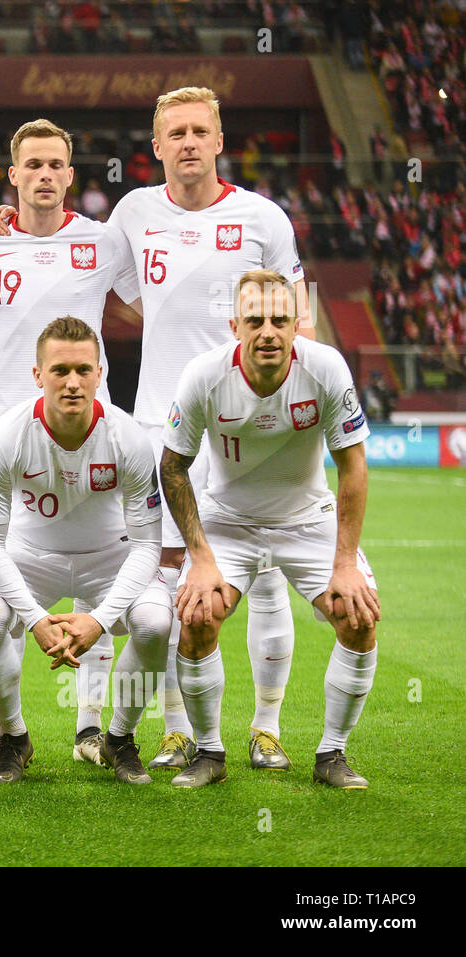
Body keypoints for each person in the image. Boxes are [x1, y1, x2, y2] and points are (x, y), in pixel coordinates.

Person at [0, 87, 312, 773]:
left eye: (200, 131)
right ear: (157, 147)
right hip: (166, 426)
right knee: (156, 585)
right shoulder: (131, 214)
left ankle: (268, 726)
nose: (188, 142)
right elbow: (99, 280)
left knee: (268, 572)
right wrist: (4, 221)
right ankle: (166, 728)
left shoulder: (263, 218)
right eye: (175, 133)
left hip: (252, 428)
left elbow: (296, 319)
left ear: (220, 141)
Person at [0, 118, 136, 770]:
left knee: (96, 571)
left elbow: (144, 302)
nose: (45, 175)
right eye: (32, 165)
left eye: (56, 164)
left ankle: (91, 728)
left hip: (93, 431)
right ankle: (10, 729)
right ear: (13, 174)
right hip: (8, 432)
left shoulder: (103, 241)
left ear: (70, 174)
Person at [160, 271, 378, 789]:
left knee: (359, 615)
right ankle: (209, 752)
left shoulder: (325, 369)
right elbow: (172, 467)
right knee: (196, 615)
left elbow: (353, 464)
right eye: (255, 320)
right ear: (235, 325)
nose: (268, 331)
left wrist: (345, 564)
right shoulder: (203, 375)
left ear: (297, 323)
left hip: (308, 522)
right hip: (229, 522)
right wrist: (203, 557)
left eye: (280, 319)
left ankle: (332, 754)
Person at [0, 316, 172, 784]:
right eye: (60, 370)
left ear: (100, 373)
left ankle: (119, 739)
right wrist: (36, 620)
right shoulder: (7, 435)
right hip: (29, 557)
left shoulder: (129, 437)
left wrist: (99, 620)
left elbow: (147, 545)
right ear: (38, 375)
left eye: (83, 370)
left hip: (110, 557)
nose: (73, 383)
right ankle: (13, 736)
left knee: (154, 621)